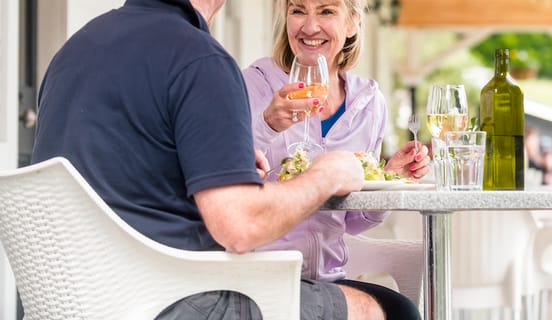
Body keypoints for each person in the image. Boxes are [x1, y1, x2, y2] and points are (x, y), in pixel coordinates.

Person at [31, 0, 386, 319]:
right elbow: (240, 229)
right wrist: (327, 174)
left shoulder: (74, 49)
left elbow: (131, 162)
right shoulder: (200, 58)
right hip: (169, 298)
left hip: (78, 299)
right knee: (386, 309)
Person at [241, 0, 425, 318]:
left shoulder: (369, 103)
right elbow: (224, 176)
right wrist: (268, 124)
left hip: (329, 277)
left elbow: (351, 220)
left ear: (352, 23)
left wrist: (386, 178)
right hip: (261, 271)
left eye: (326, 11)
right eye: (298, 10)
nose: (309, 27)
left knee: (403, 311)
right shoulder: (256, 83)